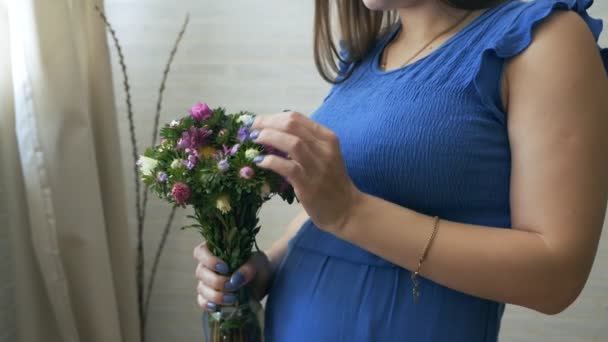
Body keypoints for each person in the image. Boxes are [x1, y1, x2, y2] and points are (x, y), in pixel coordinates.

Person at [193, 0, 608, 340]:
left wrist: (350, 213)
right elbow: (326, 212)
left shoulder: (545, 38)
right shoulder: (364, 55)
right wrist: (266, 267)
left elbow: (557, 277)